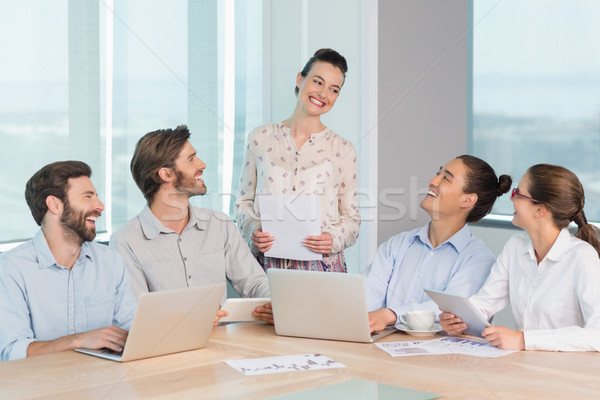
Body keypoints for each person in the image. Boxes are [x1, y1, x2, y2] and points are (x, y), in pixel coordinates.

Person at [109, 126, 271, 322]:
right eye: (191, 159)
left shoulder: (220, 225)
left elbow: (254, 283)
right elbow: (134, 315)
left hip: (221, 346)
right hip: (165, 349)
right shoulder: (126, 241)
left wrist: (274, 302)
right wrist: (189, 318)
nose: (202, 164)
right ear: (166, 174)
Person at [440, 164, 600, 351]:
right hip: (524, 366)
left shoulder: (582, 257)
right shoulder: (515, 248)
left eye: (517, 193)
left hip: (567, 373)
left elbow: (597, 334)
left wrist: (524, 340)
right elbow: (485, 302)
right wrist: (460, 319)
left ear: (540, 210)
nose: (511, 197)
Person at [234, 48, 360, 272]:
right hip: (267, 267)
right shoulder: (260, 137)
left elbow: (352, 220)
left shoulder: (343, 149)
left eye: (333, 90)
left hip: (323, 270)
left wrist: (333, 238)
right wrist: (253, 229)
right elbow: (243, 203)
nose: (323, 94)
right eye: (318, 82)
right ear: (300, 79)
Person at [0, 161, 136, 361]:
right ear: (54, 205)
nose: (100, 206)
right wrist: (77, 341)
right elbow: (11, 352)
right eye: (88, 197)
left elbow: (130, 327)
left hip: (101, 382)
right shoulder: (12, 268)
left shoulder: (110, 261)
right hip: (40, 387)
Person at [365, 155, 512, 333]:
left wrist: (391, 314)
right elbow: (366, 298)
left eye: (445, 178)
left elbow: (448, 307)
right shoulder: (397, 245)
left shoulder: (479, 260)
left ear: (468, 200)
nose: (433, 181)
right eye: (437, 173)